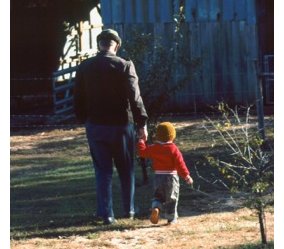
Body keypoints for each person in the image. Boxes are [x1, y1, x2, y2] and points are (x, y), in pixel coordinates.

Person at [74, 29, 148, 225]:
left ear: (100, 45)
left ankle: (106, 213)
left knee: (102, 170)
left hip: (96, 125)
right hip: (122, 125)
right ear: (116, 45)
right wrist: (142, 123)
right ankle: (130, 209)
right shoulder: (124, 66)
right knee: (126, 168)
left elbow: (78, 97)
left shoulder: (85, 67)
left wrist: (84, 119)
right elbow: (135, 97)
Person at [137, 122, 193, 225]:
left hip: (158, 177)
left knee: (158, 196)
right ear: (172, 135)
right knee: (171, 198)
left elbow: (142, 152)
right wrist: (186, 176)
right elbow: (180, 164)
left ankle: (156, 207)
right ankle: (171, 219)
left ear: (157, 135)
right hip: (171, 177)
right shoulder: (173, 149)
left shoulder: (155, 148)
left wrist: (141, 140)